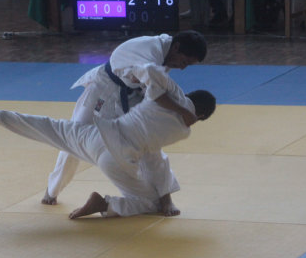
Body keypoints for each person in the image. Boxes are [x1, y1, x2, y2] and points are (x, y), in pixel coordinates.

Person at [0, 83, 217, 219]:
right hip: (116, 158)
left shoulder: (159, 97)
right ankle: (105, 205)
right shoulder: (180, 129)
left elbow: (47, 127)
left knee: (53, 128)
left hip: (95, 134)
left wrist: (0, 118)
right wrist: (166, 199)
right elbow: (156, 161)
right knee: (151, 204)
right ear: (200, 117)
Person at [42, 31, 208, 210]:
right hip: (103, 89)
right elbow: (158, 94)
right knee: (73, 135)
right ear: (176, 48)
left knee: (150, 143)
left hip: (132, 95)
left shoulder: (167, 52)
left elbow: (157, 89)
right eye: (184, 62)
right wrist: (183, 111)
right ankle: (52, 190)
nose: (182, 68)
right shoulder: (150, 51)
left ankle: (164, 197)